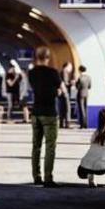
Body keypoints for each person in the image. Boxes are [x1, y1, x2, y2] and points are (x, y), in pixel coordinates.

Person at [27, 47, 64, 187]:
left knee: (36, 146)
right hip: (49, 114)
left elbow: (37, 88)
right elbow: (61, 91)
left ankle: (36, 177)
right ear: (48, 57)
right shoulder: (53, 72)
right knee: (50, 147)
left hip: (35, 113)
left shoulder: (31, 73)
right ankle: (48, 178)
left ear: (37, 57)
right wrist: (56, 91)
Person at [58, 62, 74, 127]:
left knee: (62, 108)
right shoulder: (65, 72)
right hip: (65, 92)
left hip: (61, 93)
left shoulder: (61, 71)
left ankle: (61, 123)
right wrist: (71, 83)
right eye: (70, 67)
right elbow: (65, 83)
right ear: (67, 66)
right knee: (67, 108)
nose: (71, 68)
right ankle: (68, 123)